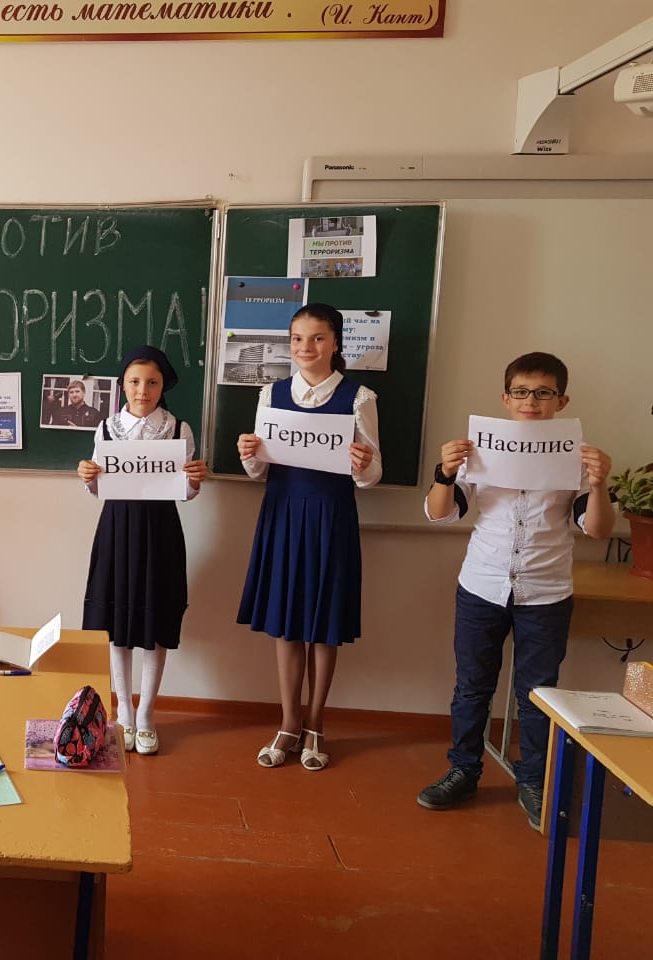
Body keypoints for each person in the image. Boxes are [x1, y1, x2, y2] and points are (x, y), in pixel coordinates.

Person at [416, 352, 614, 829]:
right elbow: (440, 513)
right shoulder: (480, 450)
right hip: (481, 585)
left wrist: (599, 484)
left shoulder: (576, 457)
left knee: (538, 694)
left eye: (544, 393)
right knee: (471, 687)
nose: (531, 401)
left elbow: (597, 529)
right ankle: (463, 771)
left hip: (546, 591)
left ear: (561, 401)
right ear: (505, 398)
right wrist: (444, 474)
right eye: (522, 392)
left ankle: (533, 779)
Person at [237, 303, 382, 772]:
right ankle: (288, 721)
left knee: (323, 626)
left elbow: (372, 475)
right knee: (286, 622)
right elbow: (259, 471)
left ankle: (316, 722)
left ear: (335, 343)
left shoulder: (359, 397)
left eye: (318, 338)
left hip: (331, 518)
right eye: (297, 338)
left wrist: (364, 465)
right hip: (282, 514)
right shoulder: (272, 393)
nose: (306, 347)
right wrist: (248, 453)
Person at [77, 346, 208, 756]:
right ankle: (124, 714)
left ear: (162, 385)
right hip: (117, 529)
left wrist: (194, 481)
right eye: (134, 381)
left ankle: (147, 714)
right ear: (122, 385)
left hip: (160, 530)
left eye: (152, 382)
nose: (142, 390)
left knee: (154, 625)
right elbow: (98, 488)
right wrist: (87, 475)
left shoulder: (178, 428)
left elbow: (184, 493)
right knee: (117, 625)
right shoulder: (106, 428)